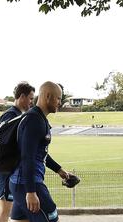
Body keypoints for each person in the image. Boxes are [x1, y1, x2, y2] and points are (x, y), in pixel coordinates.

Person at [9, 82, 75, 222]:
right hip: (27, 184)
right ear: (48, 96)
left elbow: (40, 152)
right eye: (58, 98)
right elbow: (27, 157)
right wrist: (31, 192)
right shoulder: (34, 120)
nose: (60, 102)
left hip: (21, 183)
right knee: (51, 217)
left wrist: (60, 170)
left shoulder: (39, 119)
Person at [0, 82, 35, 222]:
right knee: (4, 209)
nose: (31, 102)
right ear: (22, 96)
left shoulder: (16, 115)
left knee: (13, 211)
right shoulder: (11, 116)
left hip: (11, 172)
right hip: (6, 172)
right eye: (30, 98)